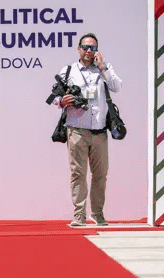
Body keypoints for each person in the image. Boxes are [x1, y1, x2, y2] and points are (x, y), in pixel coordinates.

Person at [55, 33, 122, 227]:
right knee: (78, 174)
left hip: (100, 131)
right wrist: (62, 102)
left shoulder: (105, 69)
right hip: (76, 130)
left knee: (100, 175)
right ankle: (79, 215)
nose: (88, 51)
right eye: (85, 47)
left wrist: (103, 68)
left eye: (92, 47)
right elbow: (54, 98)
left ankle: (98, 214)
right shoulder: (68, 71)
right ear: (78, 49)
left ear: (97, 50)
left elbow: (117, 86)